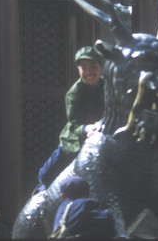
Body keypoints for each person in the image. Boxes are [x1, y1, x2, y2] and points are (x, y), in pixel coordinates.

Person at [38, 46, 105, 191]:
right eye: (84, 68)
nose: (89, 72)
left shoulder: (109, 87)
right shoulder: (74, 93)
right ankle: (41, 192)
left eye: (93, 67)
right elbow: (74, 124)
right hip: (75, 139)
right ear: (78, 70)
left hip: (103, 137)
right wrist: (87, 128)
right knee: (46, 176)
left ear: (102, 67)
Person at [51, 176, 118, 239]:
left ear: (62, 197)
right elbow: (108, 221)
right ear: (87, 194)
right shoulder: (84, 204)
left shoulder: (59, 214)